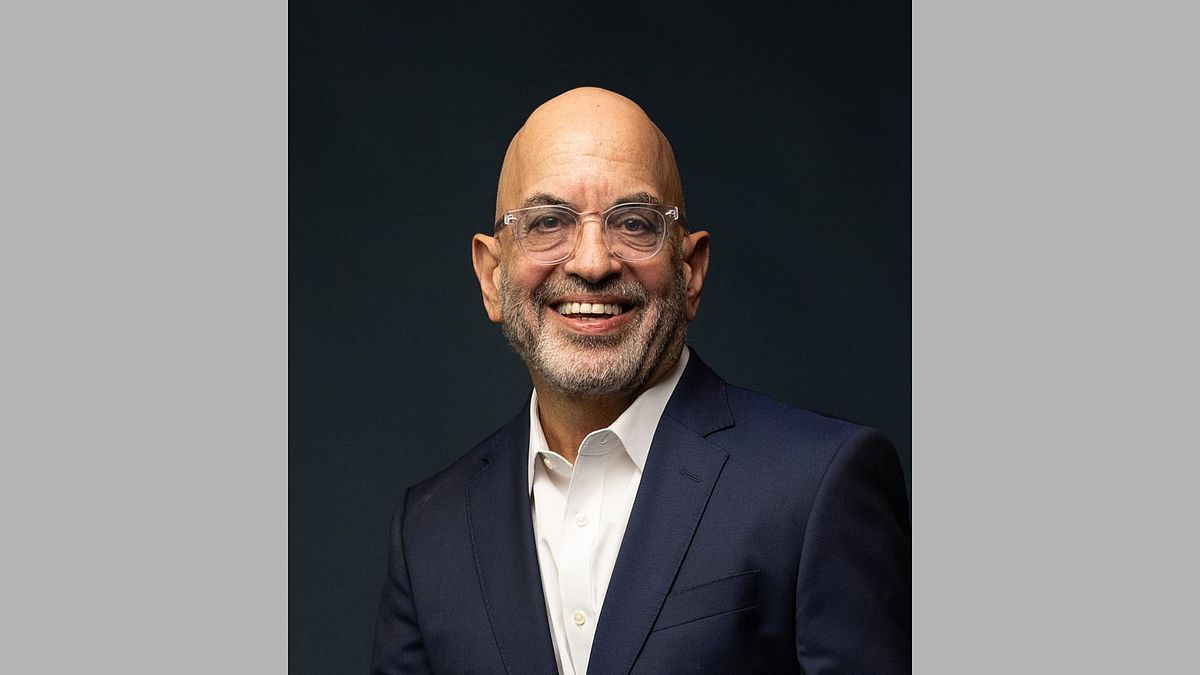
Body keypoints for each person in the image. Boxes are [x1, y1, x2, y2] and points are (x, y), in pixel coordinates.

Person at [371, 87, 910, 674]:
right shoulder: (430, 528)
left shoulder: (817, 486)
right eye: (548, 222)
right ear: (490, 275)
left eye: (634, 223)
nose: (592, 263)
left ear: (691, 269)